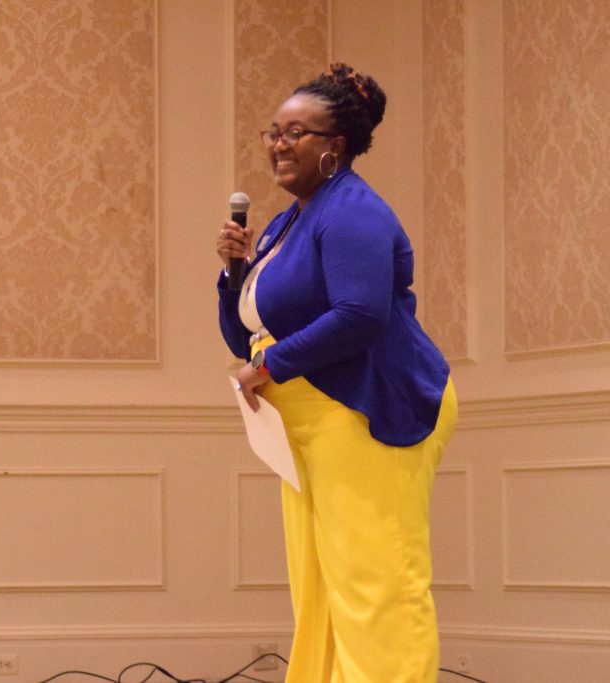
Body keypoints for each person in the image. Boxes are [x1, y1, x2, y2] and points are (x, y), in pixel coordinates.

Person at [216, 63, 457, 683]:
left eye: (297, 132)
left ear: (336, 146)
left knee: (378, 587)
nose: (279, 144)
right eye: (274, 132)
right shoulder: (288, 221)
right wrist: (232, 277)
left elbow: (360, 315)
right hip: (308, 422)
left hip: (367, 409)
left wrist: (270, 364)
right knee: (322, 588)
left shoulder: (352, 210)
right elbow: (246, 336)